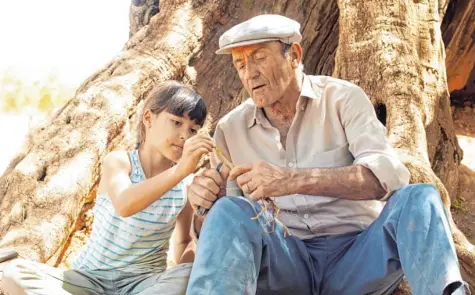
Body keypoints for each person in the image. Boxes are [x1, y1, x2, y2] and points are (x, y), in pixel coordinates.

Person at [185, 14, 469, 295]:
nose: (250, 73)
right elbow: (231, 225)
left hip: (357, 259)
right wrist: (204, 207)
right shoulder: (230, 130)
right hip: (285, 264)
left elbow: (388, 178)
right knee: (226, 210)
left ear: (294, 55)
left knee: (420, 198)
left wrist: (291, 180)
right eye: (240, 64)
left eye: (259, 57)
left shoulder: (343, 99)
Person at [1, 81, 215, 295]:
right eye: (176, 122)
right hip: (89, 279)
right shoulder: (119, 162)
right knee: (13, 274)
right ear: (148, 118)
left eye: (193, 130)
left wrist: (194, 251)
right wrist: (180, 171)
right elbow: (125, 204)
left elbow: (184, 242)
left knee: (188, 274)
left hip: (143, 285)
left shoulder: (186, 185)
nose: (185, 136)